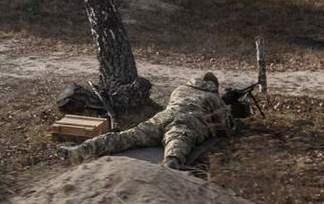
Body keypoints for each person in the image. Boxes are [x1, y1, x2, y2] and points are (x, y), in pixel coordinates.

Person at [57, 72, 232, 170]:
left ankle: (80, 150)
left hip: (162, 117)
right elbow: (225, 128)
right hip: (188, 122)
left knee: (126, 137)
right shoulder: (212, 97)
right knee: (176, 144)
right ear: (214, 86)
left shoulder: (181, 88)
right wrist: (227, 106)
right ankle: (171, 167)